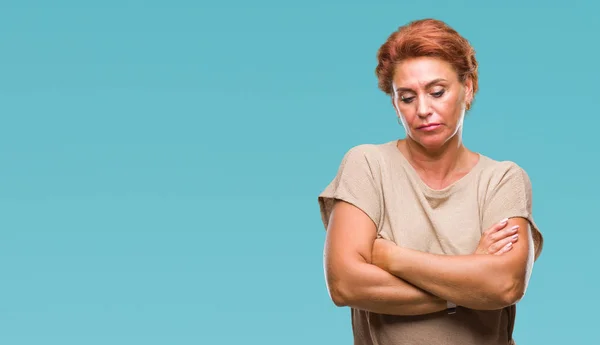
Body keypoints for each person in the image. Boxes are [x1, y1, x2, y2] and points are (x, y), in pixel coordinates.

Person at [317, 18, 544, 345]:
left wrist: (389, 257)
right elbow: (345, 285)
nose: (423, 109)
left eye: (437, 92)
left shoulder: (502, 180)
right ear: (395, 104)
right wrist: (467, 285)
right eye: (407, 97)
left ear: (468, 88)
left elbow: (505, 286)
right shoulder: (367, 166)